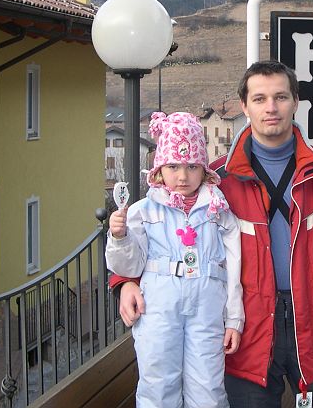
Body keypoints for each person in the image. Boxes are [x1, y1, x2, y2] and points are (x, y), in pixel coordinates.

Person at [113, 60, 313, 408]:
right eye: (260, 98)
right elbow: (162, 227)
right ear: (245, 105)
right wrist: (125, 281)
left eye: (280, 97)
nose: (271, 107)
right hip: (247, 337)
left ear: (296, 102)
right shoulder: (214, 181)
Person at [106, 111, 243, 408]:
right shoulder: (143, 211)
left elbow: (233, 270)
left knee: (208, 387)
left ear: (203, 169)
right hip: (158, 308)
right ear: (159, 169)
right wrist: (120, 238)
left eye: (192, 166)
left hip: (207, 308)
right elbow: (128, 266)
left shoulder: (219, 211)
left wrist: (234, 318)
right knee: (158, 384)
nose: (183, 176)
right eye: (173, 166)